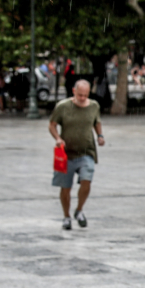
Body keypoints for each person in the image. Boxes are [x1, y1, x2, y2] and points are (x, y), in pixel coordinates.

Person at [48, 79, 104, 230]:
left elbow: (96, 122)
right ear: (74, 92)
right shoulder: (63, 106)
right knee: (65, 187)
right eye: (80, 95)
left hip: (87, 151)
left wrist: (100, 135)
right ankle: (66, 216)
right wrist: (58, 138)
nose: (82, 98)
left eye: (85, 95)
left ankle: (79, 210)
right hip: (66, 154)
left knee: (87, 180)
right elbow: (52, 125)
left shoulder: (93, 106)